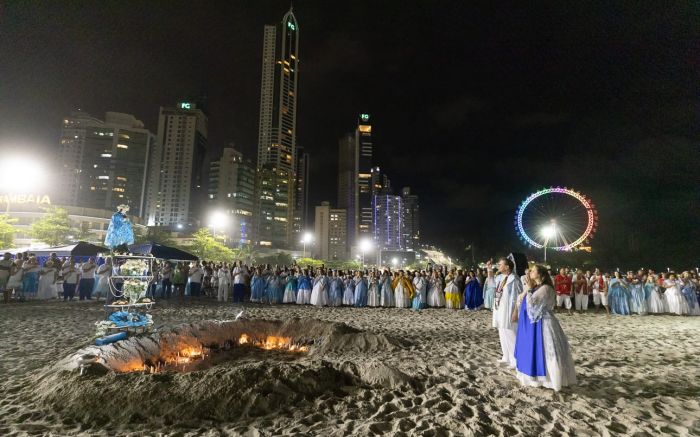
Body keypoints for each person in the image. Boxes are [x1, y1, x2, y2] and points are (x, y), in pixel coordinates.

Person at [513, 264, 577, 391]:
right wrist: (527, 289)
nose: (530, 272)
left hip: (543, 323)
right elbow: (520, 300)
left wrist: (530, 290)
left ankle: (549, 380)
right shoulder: (535, 287)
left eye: (533, 271)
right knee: (533, 349)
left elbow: (532, 306)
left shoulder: (546, 288)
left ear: (541, 274)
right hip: (533, 323)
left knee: (546, 351)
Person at [491, 256, 522, 368]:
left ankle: (515, 361)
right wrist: (489, 269)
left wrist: (515, 311)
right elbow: (491, 284)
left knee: (510, 334)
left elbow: (518, 297)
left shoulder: (514, 279)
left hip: (509, 309)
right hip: (500, 308)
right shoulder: (500, 277)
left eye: (500, 264)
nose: (498, 266)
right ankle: (506, 357)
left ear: (507, 266)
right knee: (502, 333)